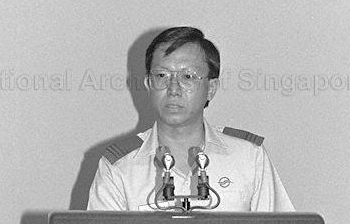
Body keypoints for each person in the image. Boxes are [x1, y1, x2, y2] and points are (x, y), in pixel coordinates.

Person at [87, 27, 295, 213]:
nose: (173, 89)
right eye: (162, 76)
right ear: (149, 84)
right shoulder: (120, 167)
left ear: (211, 88)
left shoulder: (248, 158)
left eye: (188, 77)